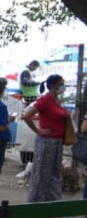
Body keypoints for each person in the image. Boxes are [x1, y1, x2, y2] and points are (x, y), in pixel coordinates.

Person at [22, 74, 70, 203]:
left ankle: (52, 199)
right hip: (47, 141)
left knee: (54, 172)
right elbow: (27, 116)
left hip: (57, 141)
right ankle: (36, 200)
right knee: (42, 172)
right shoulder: (45, 100)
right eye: (61, 84)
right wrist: (38, 131)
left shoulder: (56, 100)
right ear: (54, 86)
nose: (63, 87)